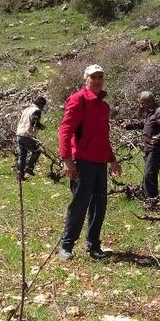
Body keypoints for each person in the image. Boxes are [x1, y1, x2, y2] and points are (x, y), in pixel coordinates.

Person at [57, 64, 122, 260]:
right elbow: (65, 131)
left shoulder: (104, 106)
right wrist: (67, 160)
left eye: (100, 77)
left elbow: (103, 137)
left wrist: (112, 160)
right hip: (82, 161)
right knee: (80, 203)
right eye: (93, 77)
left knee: (98, 205)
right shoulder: (78, 100)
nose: (98, 80)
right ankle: (66, 245)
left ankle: (94, 246)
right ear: (85, 79)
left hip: (99, 163)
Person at [119, 91, 160, 200]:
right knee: (150, 175)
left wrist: (158, 137)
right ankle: (149, 197)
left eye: (143, 103)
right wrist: (128, 126)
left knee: (149, 175)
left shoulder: (159, 112)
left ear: (150, 101)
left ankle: (152, 201)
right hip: (149, 150)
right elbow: (143, 124)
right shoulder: (150, 113)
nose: (141, 106)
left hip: (156, 150)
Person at [15, 96, 47, 180]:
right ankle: (29, 167)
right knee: (38, 150)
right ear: (40, 104)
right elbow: (34, 121)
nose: (43, 108)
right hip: (27, 134)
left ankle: (20, 176)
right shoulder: (36, 110)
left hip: (19, 134)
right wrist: (40, 126)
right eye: (43, 106)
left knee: (22, 155)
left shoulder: (26, 109)